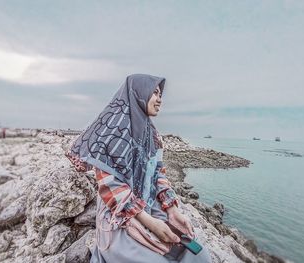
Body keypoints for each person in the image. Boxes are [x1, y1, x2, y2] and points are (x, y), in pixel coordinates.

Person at [66, 74, 212, 263]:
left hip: (149, 206)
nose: (160, 99)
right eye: (154, 93)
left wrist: (173, 210)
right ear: (138, 94)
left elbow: (158, 173)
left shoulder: (153, 136)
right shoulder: (112, 132)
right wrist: (149, 222)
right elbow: (110, 187)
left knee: (198, 255)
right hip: (119, 215)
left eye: (161, 94)